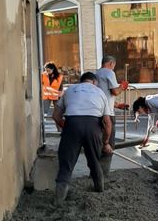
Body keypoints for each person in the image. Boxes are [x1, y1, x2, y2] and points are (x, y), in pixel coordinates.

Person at [53, 71, 113, 201]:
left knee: (66, 163)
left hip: (72, 123)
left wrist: (68, 128)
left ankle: (59, 199)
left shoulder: (70, 90)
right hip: (93, 126)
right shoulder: (100, 92)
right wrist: (106, 143)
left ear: (81, 81)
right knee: (94, 160)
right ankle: (99, 189)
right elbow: (108, 123)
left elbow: (56, 116)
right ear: (94, 82)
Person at [94, 55, 129, 174]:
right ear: (111, 63)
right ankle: (104, 172)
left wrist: (118, 105)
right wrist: (122, 86)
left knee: (98, 143)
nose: (113, 68)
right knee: (109, 144)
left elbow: (103, 96)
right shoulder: (109, 73)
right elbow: (114, 91)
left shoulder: (95, 74)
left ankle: (95, 172)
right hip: (108, 113)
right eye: (113, 66)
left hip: (96, 113)